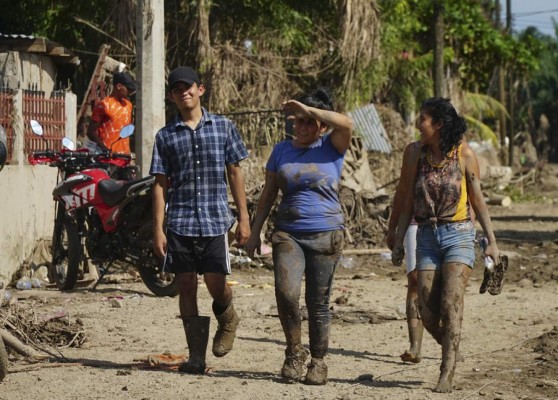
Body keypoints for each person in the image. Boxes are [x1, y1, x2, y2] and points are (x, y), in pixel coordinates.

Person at [391, 97, 500, 393]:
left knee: (451, 303)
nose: (417, 124)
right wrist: (398, 239)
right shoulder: (414, 153)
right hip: (426, 235)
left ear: (438, 124)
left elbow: (478, 200)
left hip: (459, 234)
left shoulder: (463, 153)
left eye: (423, 119)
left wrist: (492, 242)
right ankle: (450, 345)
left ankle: (446, 372)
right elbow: (405, 199)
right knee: (425, 308)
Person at [246, 88, 353, 385]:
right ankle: (294, 351)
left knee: (318, 301)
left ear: (321, 125)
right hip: (288, 232)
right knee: (287, 293)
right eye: (298, 121)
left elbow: (347, 122)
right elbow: (268, 193)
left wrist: (310, 109)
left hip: (326, 234)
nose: (302, 127)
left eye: (309, 121)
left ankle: (318, 360)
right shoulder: (281, 150)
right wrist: (255, 232)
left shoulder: (333, 146)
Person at [149, 66, 250, 374]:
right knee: (186, 285)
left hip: (215, 220)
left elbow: (235, 172)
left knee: (216, 283)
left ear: (200, 89)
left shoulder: (223, 127)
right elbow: (159, 184)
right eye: (177, 89)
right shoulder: (165, 136)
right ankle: (196, 356)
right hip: (180, 222)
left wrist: (244, 219)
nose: (184, 93)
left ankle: (227, 314)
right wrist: (157, 229)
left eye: (188, 87)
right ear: (172, 96)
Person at [86, 71, 136, 154]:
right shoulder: (104, 105)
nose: (130, 92)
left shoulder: (128, 105)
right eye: (128, 89)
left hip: (124, 156)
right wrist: (105, 149)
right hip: (108, 158)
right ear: (119, 86)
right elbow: (90, 132)